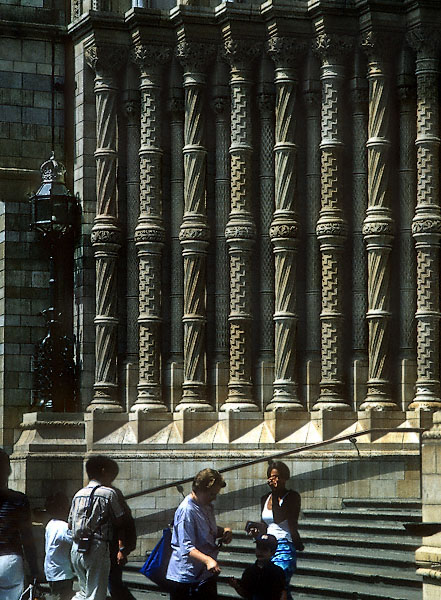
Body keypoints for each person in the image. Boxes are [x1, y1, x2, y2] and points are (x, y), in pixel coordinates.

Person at [166, 467, 233, 600]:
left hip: (204, 574)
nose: (213, 499)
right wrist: (208, 560)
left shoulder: (206, 506)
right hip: (187, 578)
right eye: (212, 494)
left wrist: (224, 531)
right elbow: (187, 547)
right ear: (201, 489)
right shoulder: (187, 510)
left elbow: (207, 530)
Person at [68, 455, 128, 600]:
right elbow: (120, 520)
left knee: (83, 592)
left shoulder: (78, 494)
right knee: (96, 593)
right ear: (103, 472)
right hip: (97, 546)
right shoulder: (108, 493)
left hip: (77, 547)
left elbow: (70, 523)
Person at [249, 461, 303, 600]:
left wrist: (275, 493)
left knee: (276, 583)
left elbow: (279, 517)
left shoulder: (292, 497)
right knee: (274, 588)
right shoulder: (264, 498)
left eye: (278, 476)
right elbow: (265, 525)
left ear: (285, 478)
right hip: (268, 547)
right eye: (272, 476)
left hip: (284, 545)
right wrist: (256, 532)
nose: (276, 480)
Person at [0, 448, 40, 600]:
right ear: (8, 471)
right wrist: (34, 570)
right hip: (10, 560)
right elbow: (27, 538)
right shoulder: (19, 500)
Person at [228, 533, 286, 600]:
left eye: (264, 549)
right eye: (258, 548)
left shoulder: (277, 571)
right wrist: (236, 586)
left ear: (273, 552)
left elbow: (282, 592)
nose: (260, 552)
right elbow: (246, 593)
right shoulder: (250, 571)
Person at [108, 486, 137, 600]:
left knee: (115, 584)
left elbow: (121, 527)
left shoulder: (118, 510)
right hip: (112, 548)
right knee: (114, 584)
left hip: (114, 549)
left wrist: (121, 550)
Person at [44, 492, 75, 600]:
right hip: (62, 572)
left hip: (51, 570)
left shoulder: (50, 524)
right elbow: (76, 540)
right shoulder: (63, 527)